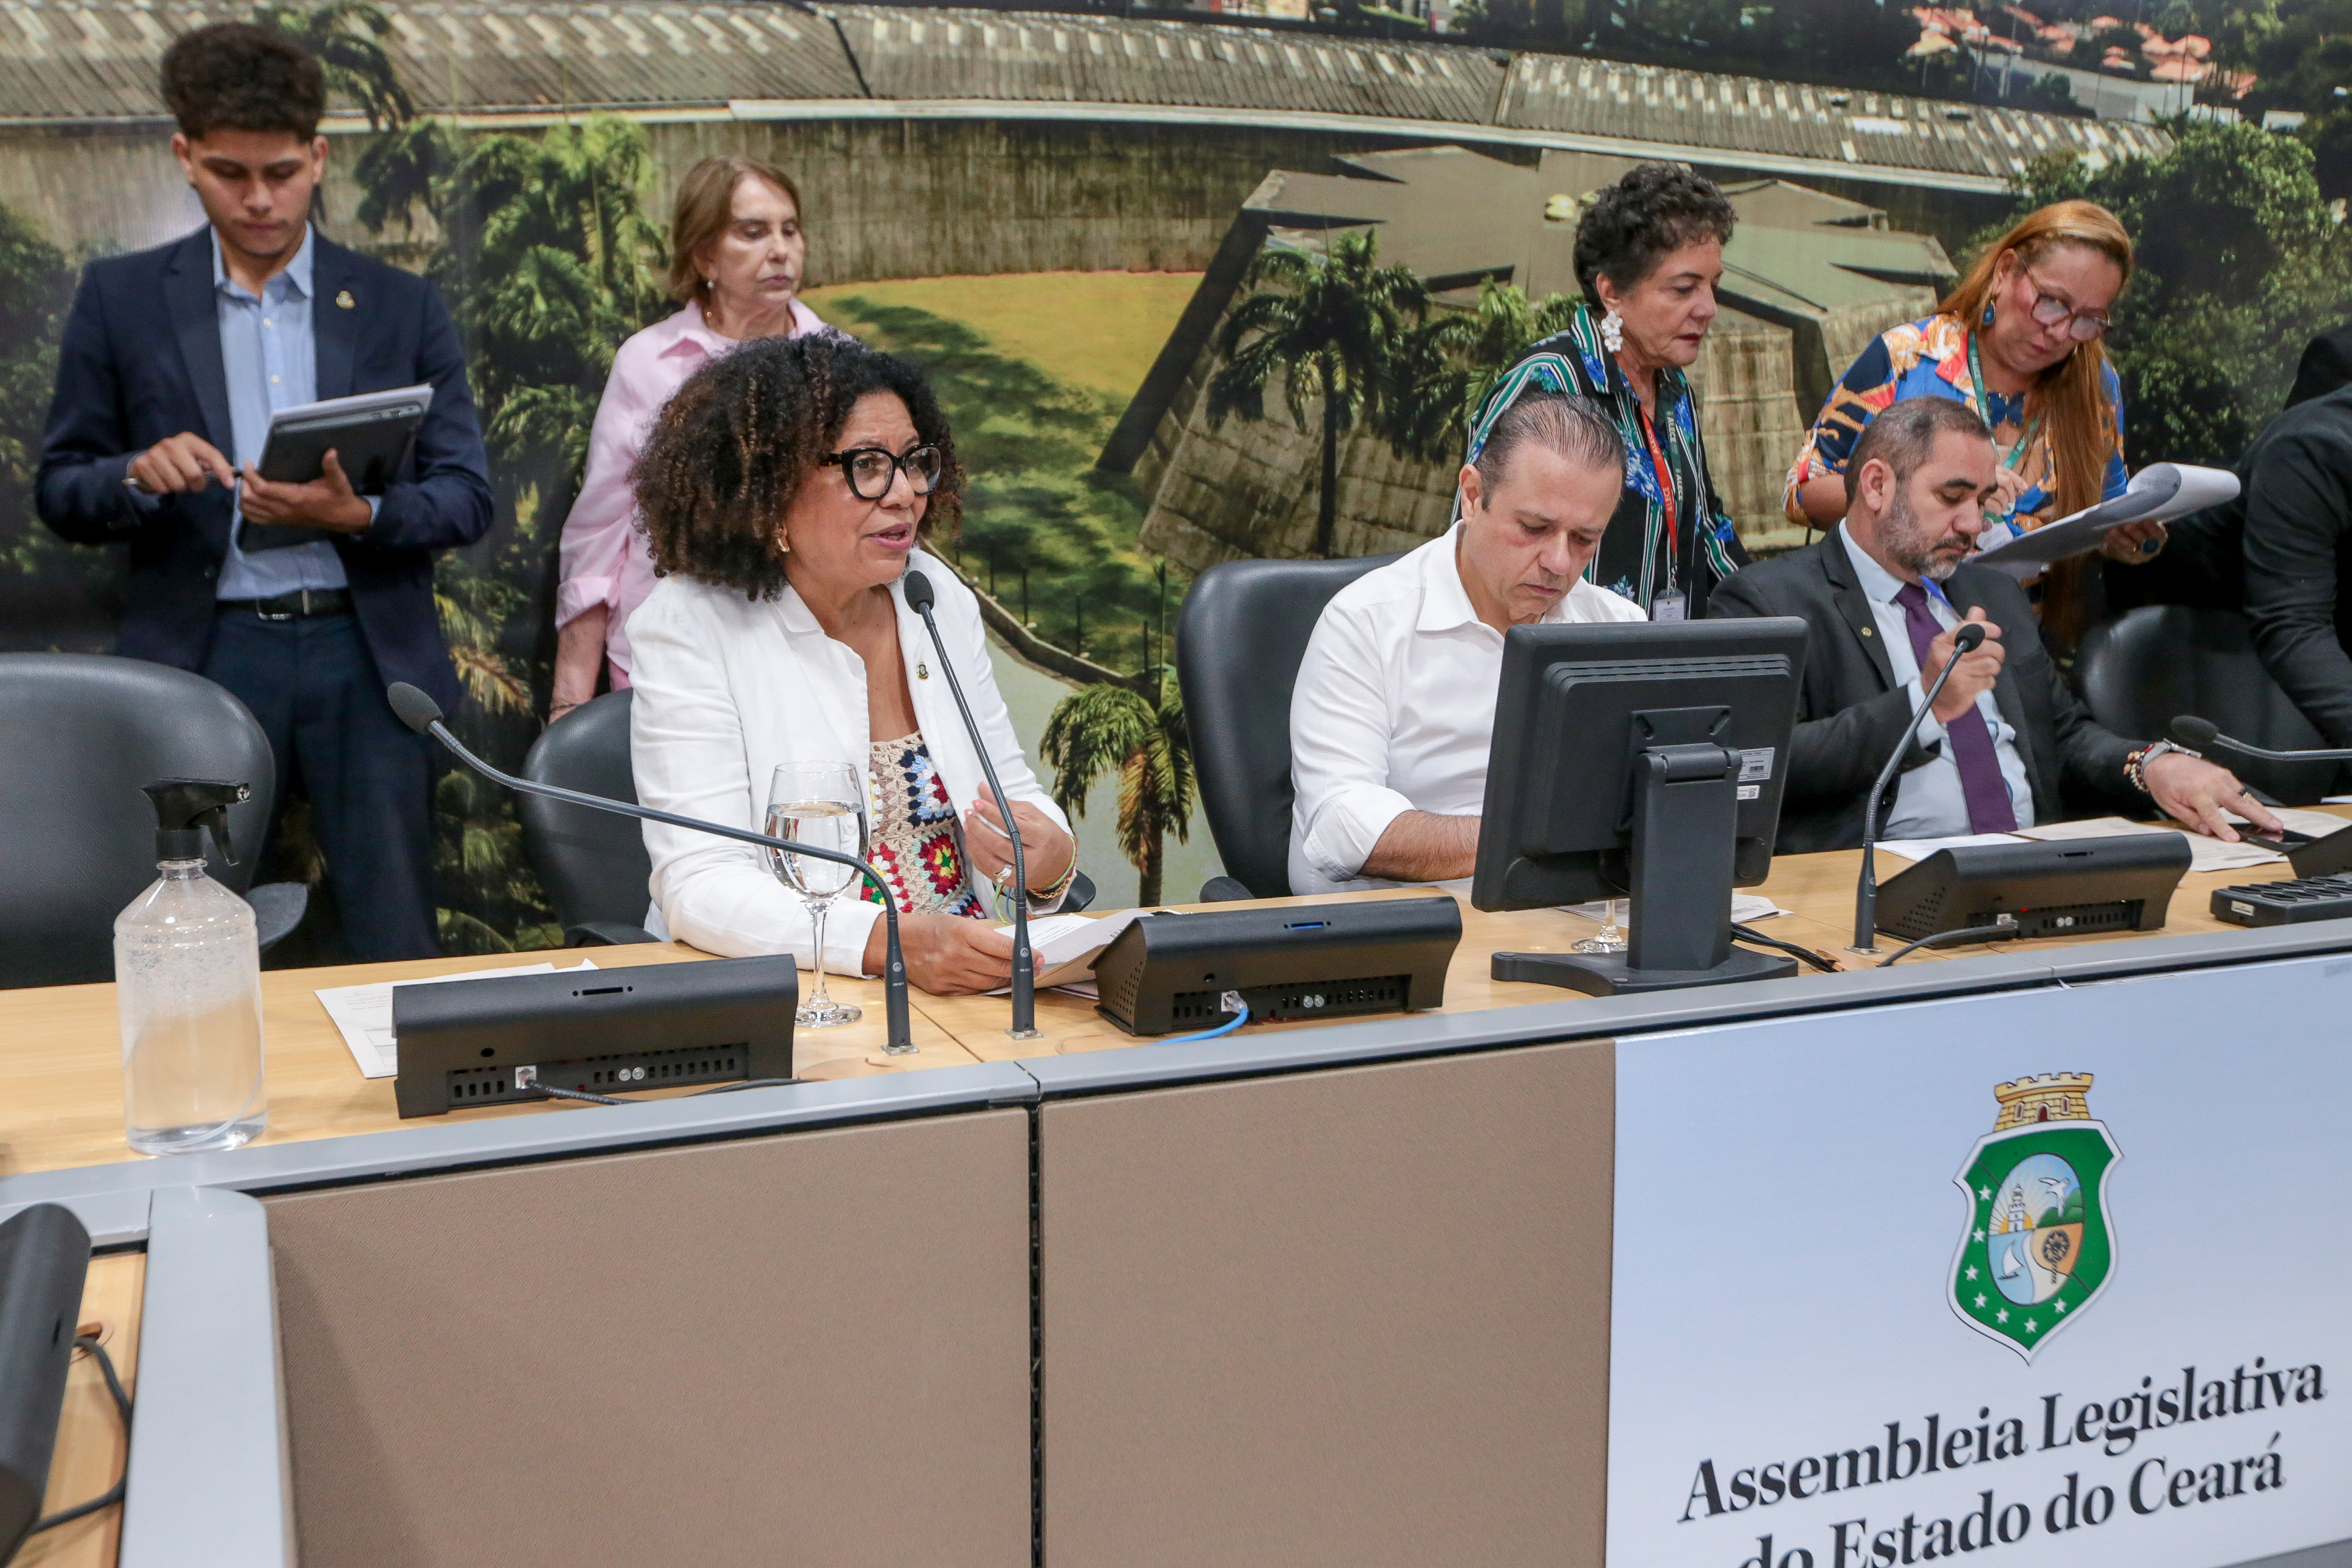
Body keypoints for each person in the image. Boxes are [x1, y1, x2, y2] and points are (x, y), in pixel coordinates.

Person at [36, 22, 492, 960]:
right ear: (185, 157)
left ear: (318, 159)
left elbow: (466, 497)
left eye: (281, 173)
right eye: (229, 173)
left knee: (393, 923)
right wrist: (136, 474)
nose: (258, 199)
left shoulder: (399, 304)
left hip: (365, 656)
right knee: (185, 927)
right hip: (205, 653)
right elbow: (61, 488)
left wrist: (357, 514)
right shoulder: (123, 299)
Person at [626, 334, 1078, 995]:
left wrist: (1052, 859)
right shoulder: (690, 626)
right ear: (771, 486)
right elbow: (701, 885)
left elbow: (1011, 792)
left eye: (914, 461)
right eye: (868, 466)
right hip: (808, 993)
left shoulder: (933, 593)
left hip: (975, 983)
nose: (905, 493)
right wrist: (889, 944)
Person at [1714, 397, 2275, 853]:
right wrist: (1923, 706)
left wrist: (2151, 766)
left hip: (2031, 862)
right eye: (1952, 497)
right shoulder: (1770, 602)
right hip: (1872, 885)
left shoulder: (1991, 593)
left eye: (1982, 501)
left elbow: (2062, 736)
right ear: (1877, 486)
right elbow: (1754, 764)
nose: (1973, 524)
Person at [1289, 391, 1645, 896]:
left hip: (1569, 916)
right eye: (1535, 528)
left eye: (1585, 539)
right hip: (1403, 925)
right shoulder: (1365, 623)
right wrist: (1529, 840)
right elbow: (1341, 825)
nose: (1560, 563)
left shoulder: (1618, 629)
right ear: (1474, 496)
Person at [1782, 200, 2159, 649]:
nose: (2061, 332)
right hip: (1894, 639)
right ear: (2005, 271)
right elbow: (1804, 493)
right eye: (2053, 303)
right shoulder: (1909, 358)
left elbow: (2106, 510)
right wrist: (1936, 495)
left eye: (2089, 321)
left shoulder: (2094, 385)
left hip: (2024, 647)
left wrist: (2123, 541)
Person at [550, 155, 829, 722]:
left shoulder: (839, 362)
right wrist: (570, 701)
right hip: (663, 666)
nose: (781, 250)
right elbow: (599, 533)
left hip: (804, 666)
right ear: (704, 256)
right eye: (753, 232)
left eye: (790, 230)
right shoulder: (647, 362)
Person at [1462, 163, 1749, 620]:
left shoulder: (1674, 388)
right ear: (1612, 292)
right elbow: (1473, 541)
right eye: (1684, 289)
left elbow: (1706, 530)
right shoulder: (1548, 381)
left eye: (1713, 287)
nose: (1708, 309)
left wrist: (1772, 611)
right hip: (1565, 652)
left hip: (1663, 653)